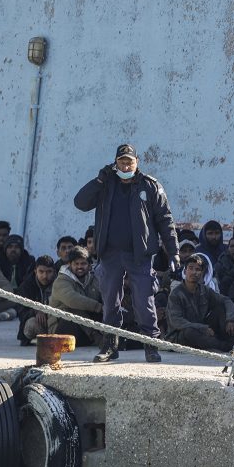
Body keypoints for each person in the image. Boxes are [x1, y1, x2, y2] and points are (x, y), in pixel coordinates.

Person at [74, 143, 179, 363]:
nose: (126, 165)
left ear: (137, 162)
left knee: (144, 300)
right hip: (110, 253)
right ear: (115, 163)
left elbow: (165, 219)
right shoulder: (105, 184)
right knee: (110, 300)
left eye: (129, 161)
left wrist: (173, 251)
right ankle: (110, 346)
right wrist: (99, 181)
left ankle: (151, 345)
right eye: (121, 161)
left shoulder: (149, 186)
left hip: (139, 254)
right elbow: (80, 203)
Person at [166, 254, 234, 352]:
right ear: (185, 271)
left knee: (220, 308)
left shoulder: (205, 290)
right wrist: (203, 328)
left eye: (198, 269)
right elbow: (177, 322)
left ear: (202, 273)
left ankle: (228, 340)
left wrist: (231, 320)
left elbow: (226, 300)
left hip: (203, 331)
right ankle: (227, 346)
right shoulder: (176, 293)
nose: (194, 272)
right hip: (180, 335)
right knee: (189, 332)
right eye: (191, 268)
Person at [47, 246, 106, 350]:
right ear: (69, 265)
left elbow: (103, 295)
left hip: (84, 332)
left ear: (89, 265)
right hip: (63, 330)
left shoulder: (93, 279)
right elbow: (72, 300)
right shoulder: (61, 280)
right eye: (76, 264)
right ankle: (96, 336)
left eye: (83, 264)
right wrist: (99, 307)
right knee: (71, 307)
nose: (80, 267)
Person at [16, 255, 56, 345]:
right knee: (31, 325)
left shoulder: (59, 283)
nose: (45, 276)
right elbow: (21, 312)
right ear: (35, 271)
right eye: (41, 272)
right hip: (39, 323)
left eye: (49, 272)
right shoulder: (26, 286)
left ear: (54, 272)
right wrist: (35, 311)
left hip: (55, 321)